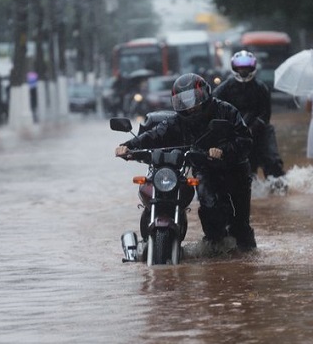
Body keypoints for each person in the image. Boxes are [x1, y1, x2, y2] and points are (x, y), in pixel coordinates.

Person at [114, 73, 257, 251]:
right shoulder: (176, 121)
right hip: (204, 167)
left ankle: (246, 260)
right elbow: (154, 135)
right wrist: (128, 147)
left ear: (204, 95)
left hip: (234, 170)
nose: (189, 107)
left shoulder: (226, 111)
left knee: (240, 226)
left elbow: (246, 140)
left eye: (193, 100)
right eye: (182, 102)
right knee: (209, 206)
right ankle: (214, 247)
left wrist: (223, 151)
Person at [213, 50, 286, 181]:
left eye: (246, 67)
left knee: (274, 164)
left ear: (252, 67)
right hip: (234, 135)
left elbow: (266, 114)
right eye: (240, 67)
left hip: (260, 132)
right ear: (235, 68)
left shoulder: (261, 88)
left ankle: (278, 189)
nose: (243, 70)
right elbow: (215, 113)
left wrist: (253, 127)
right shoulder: (222, 90)